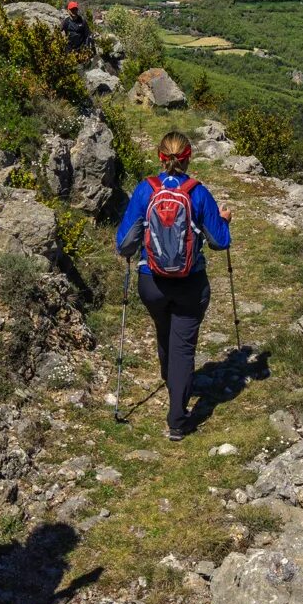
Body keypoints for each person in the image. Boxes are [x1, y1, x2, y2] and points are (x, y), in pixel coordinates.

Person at [116, 131, 232, 441]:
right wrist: (225, 219)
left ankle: (171, 380)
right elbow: (220, 241)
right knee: (183, 346)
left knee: (164, 331)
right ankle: (178, 420)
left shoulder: (146, 191)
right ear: (189, 157)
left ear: (159, 156)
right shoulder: (197, 192)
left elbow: (125, 244)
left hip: (151, 282)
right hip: (190, 284)